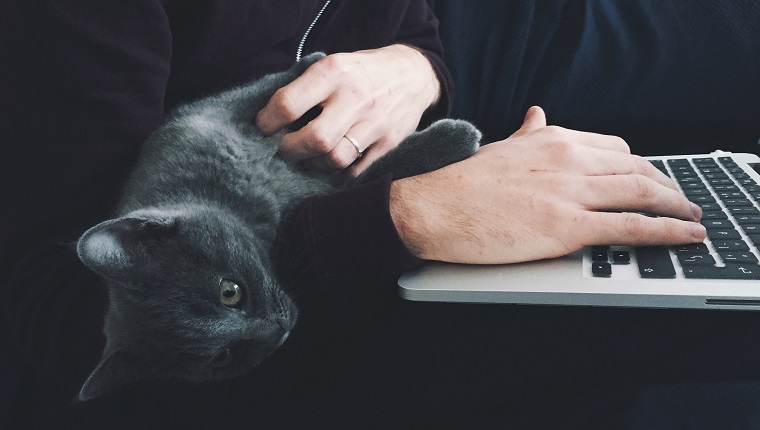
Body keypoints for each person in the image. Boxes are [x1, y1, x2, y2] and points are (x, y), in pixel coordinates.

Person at [1, 1, 758, 428]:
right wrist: (407, 218)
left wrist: (415, 69)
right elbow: (58, 323)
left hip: (391, 141)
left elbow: (416, 29)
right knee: (704, 323)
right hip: (283, 271)